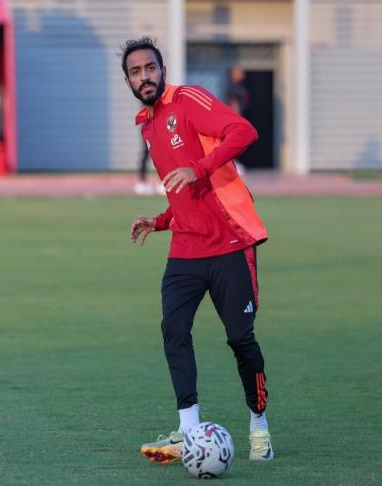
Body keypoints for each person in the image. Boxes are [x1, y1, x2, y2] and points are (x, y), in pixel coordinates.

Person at [121, 37, 274, 464]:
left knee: (240, 340)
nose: (144, 77)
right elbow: (184, 192)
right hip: (186, 249)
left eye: (150, 68)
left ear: (162, 69)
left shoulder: (188, 99)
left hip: (229, 243)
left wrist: (201, 167)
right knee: (173, 329)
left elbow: (245, 131)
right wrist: (161, 220)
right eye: (135, 72)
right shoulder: (148, 125)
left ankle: (259, 426)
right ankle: (188, 431)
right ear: (129, 81)